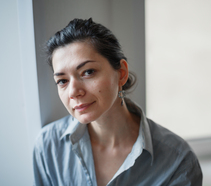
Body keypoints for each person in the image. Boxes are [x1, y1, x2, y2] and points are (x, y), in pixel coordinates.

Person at [33, 18, 202, 186]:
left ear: (121, 73)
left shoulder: (179, 162)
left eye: (88, 72)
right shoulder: (48, 146)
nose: (74, 92)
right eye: (62, 81)